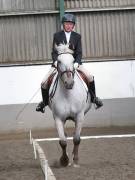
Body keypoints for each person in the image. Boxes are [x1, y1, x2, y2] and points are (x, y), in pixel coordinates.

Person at [36, 13, 103, 113]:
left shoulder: (77, 36)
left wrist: (77, 62)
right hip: (59, 64)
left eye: (71, 24)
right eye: (67, 24)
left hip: (74, 63)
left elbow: (79, 52)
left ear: (73, 25)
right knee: (43, 82)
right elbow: (54, 52)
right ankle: (44, 103)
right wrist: (55, 61)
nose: (69, 26)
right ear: (63, 24)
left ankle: (94, 99)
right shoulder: (57, 36)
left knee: (90, 77)